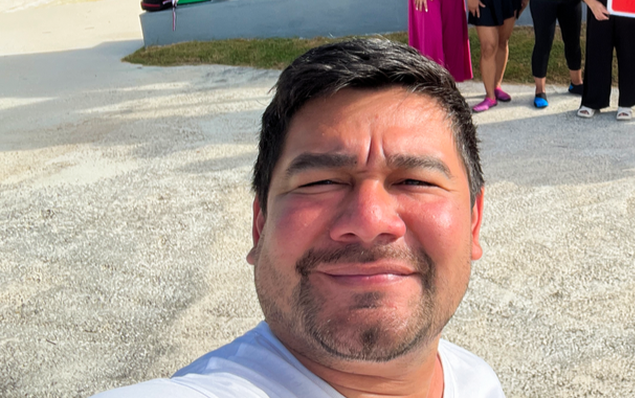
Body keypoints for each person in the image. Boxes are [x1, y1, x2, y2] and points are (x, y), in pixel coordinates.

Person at [95, 38, 503, 397]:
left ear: (473, 222)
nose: (369, 220)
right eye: (321, 182)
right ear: (260, 225)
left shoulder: (477, 380)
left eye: (415, 181)